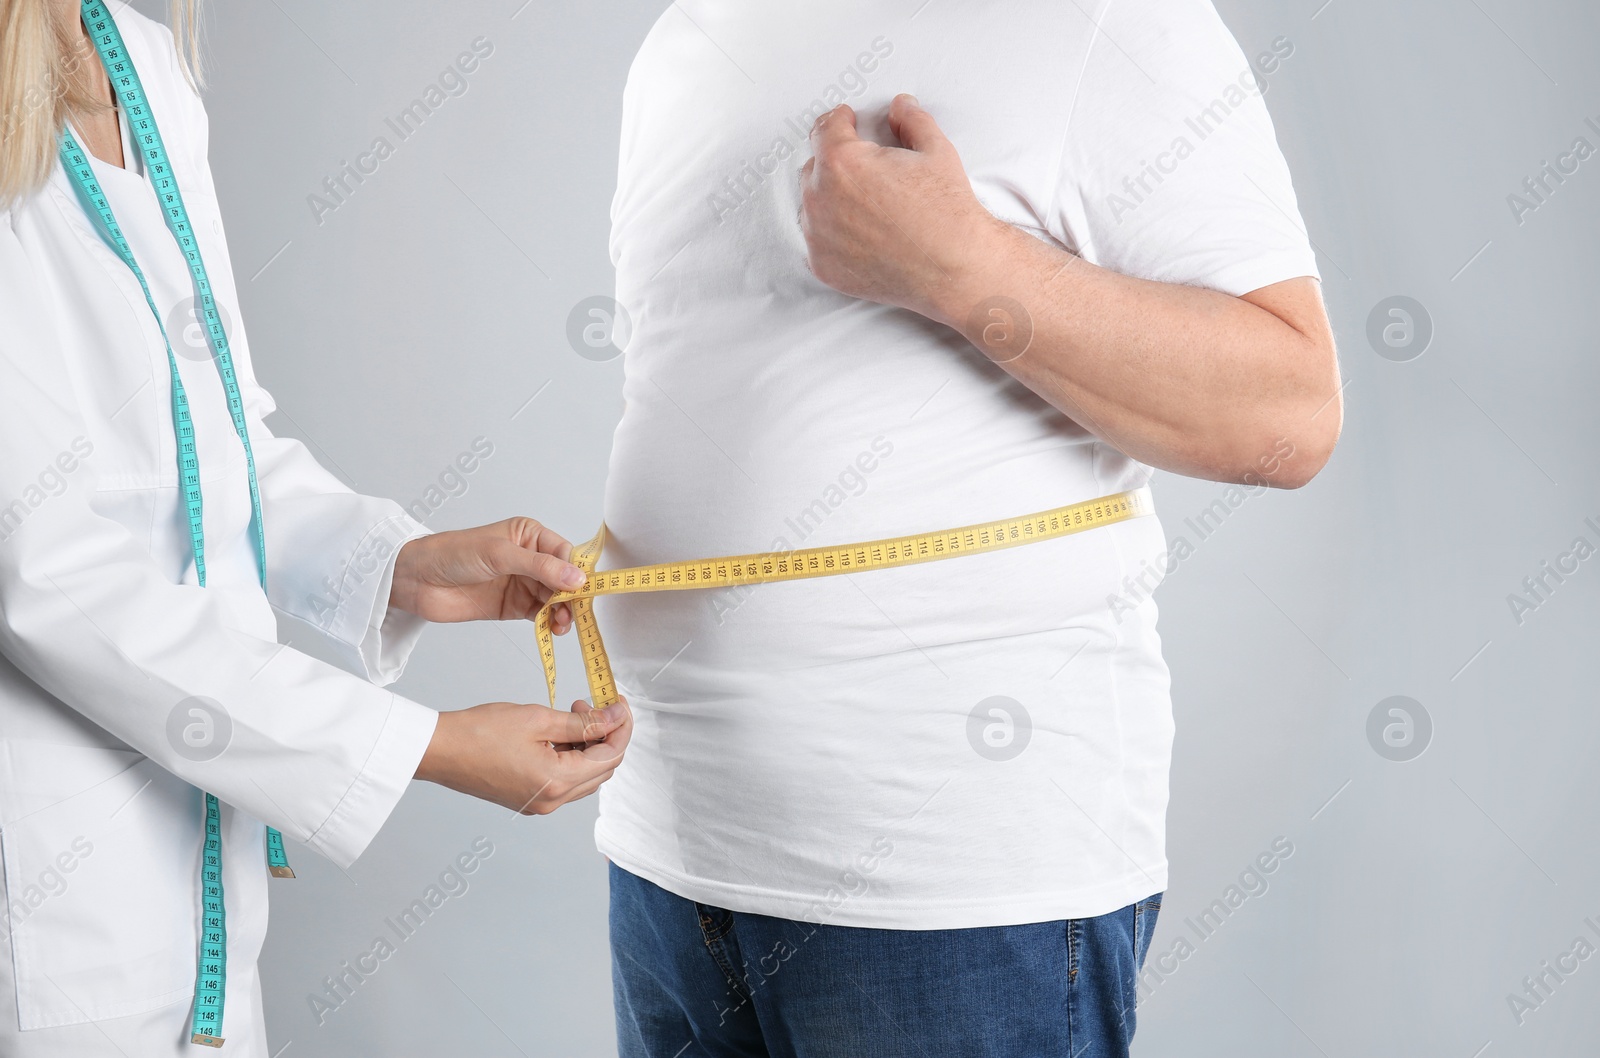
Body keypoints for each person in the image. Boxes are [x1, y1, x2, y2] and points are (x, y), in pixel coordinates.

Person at [599, 1, 1340, 1055]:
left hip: (955, 887)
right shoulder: (689, 35)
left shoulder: (1105, 22)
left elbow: (1290, 415)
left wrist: (964, 269)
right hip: (667, 855)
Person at [0, 3, 631, 1055]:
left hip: (206, 874)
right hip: (56, 903)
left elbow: (215, 450)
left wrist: (401, 566)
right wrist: (422, 745)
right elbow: (47, 571)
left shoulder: (142, 60)